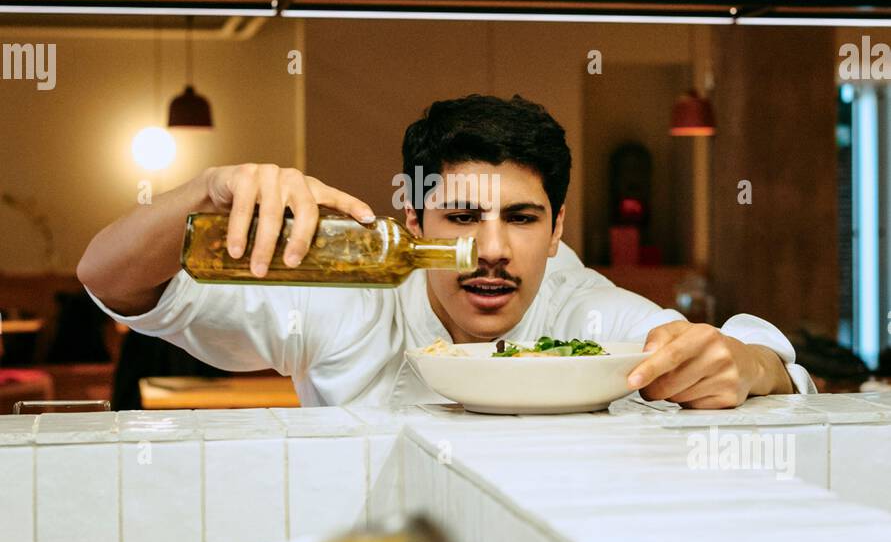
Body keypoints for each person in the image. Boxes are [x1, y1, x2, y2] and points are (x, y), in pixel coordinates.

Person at [77, 94, 813, 409]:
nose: (490, 250)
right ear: (411, 211)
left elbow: (745, 356)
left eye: (521, 219)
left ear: (556, 228)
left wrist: (748, 365)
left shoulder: (578, 309)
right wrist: (206, 190)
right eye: (460, 216)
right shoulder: (351, 297)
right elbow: (109, 280)